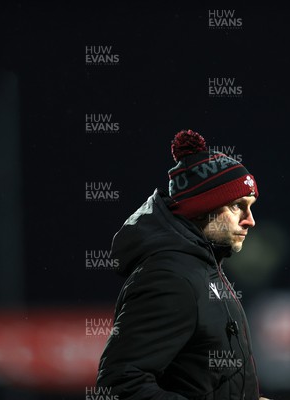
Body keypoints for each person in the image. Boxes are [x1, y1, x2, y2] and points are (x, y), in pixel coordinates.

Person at [96, 130, 271, 400]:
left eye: (251, 207)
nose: (250, 220)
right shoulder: (169, 277)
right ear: (204, 207)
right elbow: (120, 385)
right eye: (238, 206)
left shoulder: (202, 269)